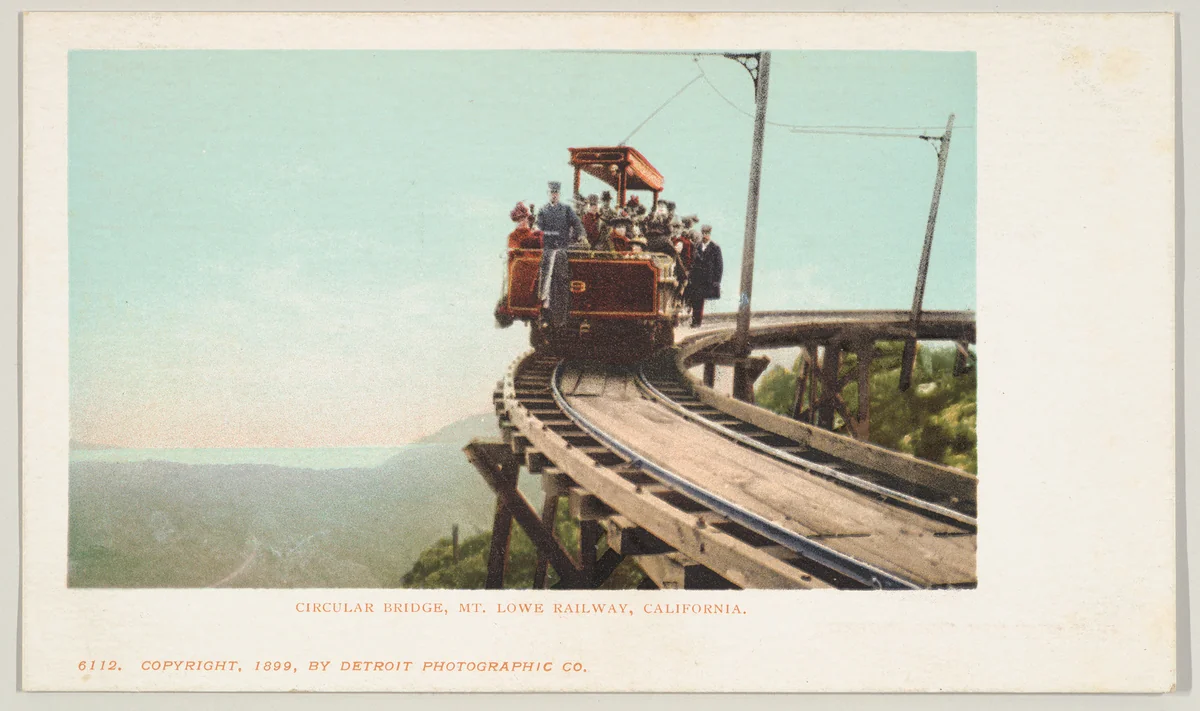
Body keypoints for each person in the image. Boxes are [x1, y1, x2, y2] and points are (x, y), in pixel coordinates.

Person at [536, 181, 587, 327]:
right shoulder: (543, 211)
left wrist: (581, 235)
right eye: (552, 193)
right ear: (548, 194)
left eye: (556, 193)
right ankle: (545, 310)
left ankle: (561, 317)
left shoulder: (566, 209)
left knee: (561, 281)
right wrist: (543, 235)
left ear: (559, 194)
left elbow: (577, 224)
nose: (554, 195)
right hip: (548, 249)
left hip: (563, 250)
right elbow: (539, 230)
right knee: (545, 280)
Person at [684, 224, 723, 327]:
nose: (705, 236)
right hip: (697, 278)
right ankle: (695, 321)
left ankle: (696, 322)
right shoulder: (697, 246)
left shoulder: (715, 247)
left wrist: (716, 281)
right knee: (696, 300)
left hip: (708, 279)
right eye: (704, 233)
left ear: (710, 234)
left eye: (707, 234)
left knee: (700, 300)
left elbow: (719, 266)